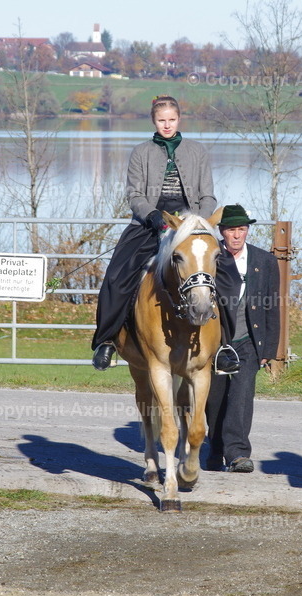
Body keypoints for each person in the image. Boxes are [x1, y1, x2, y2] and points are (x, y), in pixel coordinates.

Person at [91, 95, 239, 374]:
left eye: (171, 120)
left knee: (228, 275)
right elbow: (134, 195)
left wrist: (195, 222)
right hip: (150, 223)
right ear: (154, 121)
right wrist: (154, 216)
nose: (167, 125)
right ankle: (106, 340)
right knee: (116, 277)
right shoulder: (141, 152)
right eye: (162, 120)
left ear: (179, 119)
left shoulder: (197, 151)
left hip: (192, 227)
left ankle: (224, 347)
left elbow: (208, 195)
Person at [204, 204, 281, 473]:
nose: (236, 235)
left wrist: (269, 348)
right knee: (215, 400)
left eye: (241, 229)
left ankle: (237, 454)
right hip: (216, 340)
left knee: (241, 395)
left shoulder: (264, 260)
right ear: (222, 232)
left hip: (249, 339)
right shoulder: (210, 257)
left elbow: (272, 305)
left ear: (247, 230)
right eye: (231, 230)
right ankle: (215, 450)